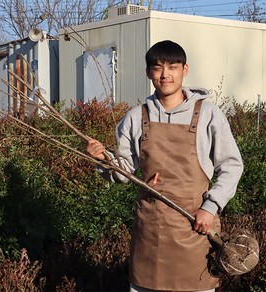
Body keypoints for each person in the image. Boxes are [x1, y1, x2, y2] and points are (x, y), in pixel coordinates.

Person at [86, 40, 243, 292]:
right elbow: (124, 174)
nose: (165, 74)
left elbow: (232, 165)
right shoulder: (137, 117)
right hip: (151, 233)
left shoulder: (209, 114)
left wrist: (210, 207)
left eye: (172, 66)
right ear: (149, 73)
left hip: (196, 229)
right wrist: (103, 160)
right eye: (157, 68)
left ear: (185, 70)